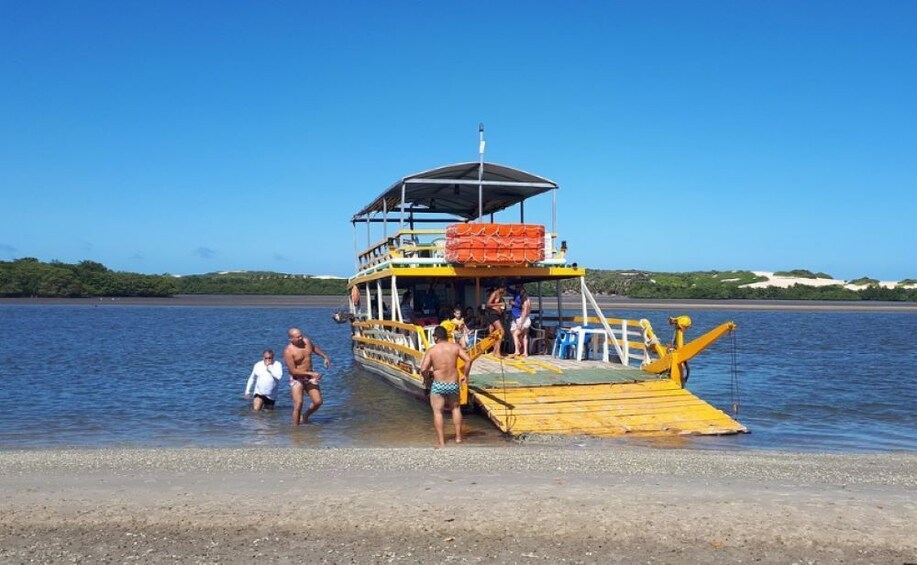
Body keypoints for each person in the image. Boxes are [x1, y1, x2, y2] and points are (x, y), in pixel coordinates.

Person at [419, 326, 472, 448]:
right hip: (453, 384)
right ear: (446, 336)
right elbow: (468, 360)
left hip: (439, 384)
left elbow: (423, 368)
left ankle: (441, 443)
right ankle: (458, 438)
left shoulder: (432, 350)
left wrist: (426, 378)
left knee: (438, 413)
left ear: (436, 337)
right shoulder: (455, 347)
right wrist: (465, 375)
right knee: (456, 409)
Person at [283, 327, 331, 426]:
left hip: (309, 376)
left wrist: (324, 356)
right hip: (297, 378)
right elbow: (293, 371)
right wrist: (311, 374)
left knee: (318, 401)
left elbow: (313, 348)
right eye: (298, 337)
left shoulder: (307, 341)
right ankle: (295, 430)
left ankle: (305, 416)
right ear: (291, 339)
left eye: (301, 335)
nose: (301, 338)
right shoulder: (288, 351)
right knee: (298, 404)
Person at [509, 284, 532, 357]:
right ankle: (525, 352)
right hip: (526, 319)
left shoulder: (525, 302)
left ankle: (517, 350)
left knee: (515, 334)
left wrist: (521, 323)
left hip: (523, 319)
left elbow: (525, 312)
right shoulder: (528, 300)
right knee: (525, 336)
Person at [484, 285, 507, 358]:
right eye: (503, 288)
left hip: (498, 315)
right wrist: (498, 304)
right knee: (501, 332)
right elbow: (488, 304)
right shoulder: (495, 293)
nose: (504, 290)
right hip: (493, 314)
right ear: (499, 287)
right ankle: (497, 352)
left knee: (495, 333)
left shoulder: (501, 295)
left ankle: (495, 351)